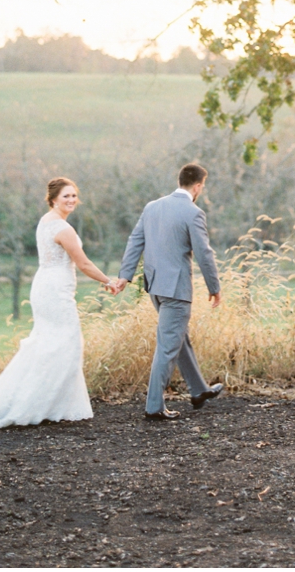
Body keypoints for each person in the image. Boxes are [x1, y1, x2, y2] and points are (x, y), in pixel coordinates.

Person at [0, 177, 118, 427]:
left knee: (49, 343)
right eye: (66, 196)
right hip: (55, 291)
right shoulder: (64, 229)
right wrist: (108, 280)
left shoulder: (46, 221)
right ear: (53, 199)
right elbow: (83, 263)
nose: (72, 200)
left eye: (74, 195)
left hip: (45, 285)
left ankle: (52, 403)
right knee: (66, 343)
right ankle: (38, 404)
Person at [115, 161, 223, 420]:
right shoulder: (193, 212)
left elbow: (135, 241)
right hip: (176, 289)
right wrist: (214, 287)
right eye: (202, 187)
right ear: (197, 186)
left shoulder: (152, 207)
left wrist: (124, 276)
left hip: (155, 288)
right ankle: (154, 407)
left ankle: (198, 390)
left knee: (177, 338)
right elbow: (204, 254)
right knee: (167, 345)